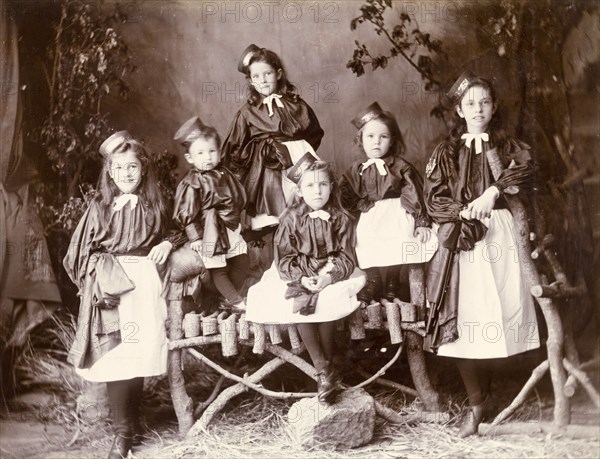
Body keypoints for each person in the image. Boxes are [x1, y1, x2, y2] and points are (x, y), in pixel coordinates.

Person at [423, 71, 540, 437]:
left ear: (494, 107)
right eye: (470, 103)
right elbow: (434, 198)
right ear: (459, 109)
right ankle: (476, 404)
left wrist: (493, 192)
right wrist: (462, 212)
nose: (478, 109)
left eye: (484, 102)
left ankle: (490, 395)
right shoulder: (446, 151)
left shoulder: (507, 146)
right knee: (466, 315)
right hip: (463, 240)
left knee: (499, 309)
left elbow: (528, 169)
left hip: (501, 235)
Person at [63, 131, 182, 458]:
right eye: (120, 168)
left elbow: (178, 229)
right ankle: (122, 433)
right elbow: (76, 253)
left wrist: (166, 243)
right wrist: (96, 280)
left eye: (133, 167)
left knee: (137, 355)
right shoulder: (99, 207)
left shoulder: (154, 204)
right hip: (110, 289)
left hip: (143, 283)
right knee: (115, 356)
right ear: (110, 172)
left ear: (143, 169)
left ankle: (131, 423)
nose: (127, 174)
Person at [245, 157, 366, 404]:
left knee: (330, 298)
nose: (318, 190)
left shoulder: (341, 218)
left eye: (323, 184)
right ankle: (324, 368)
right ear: (299, 190)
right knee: (297, 299)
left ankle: (324, 372)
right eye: (310, 186)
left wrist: (327, 278)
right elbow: (284, 258)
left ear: (331, 186)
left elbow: (346, 257)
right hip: (295, 270)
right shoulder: (290, 218)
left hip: (332, 270)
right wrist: (303, 278)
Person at [221, 44, 324, 242]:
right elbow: (234, 147)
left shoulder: (296, 104)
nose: (263, 80)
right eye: (256, 77)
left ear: (278, 74)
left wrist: (298, 151)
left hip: (299, 162)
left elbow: (314, 132)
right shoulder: (247, 112)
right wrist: (259, 153)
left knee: (303, 212)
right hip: (268, 171)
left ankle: (302, 260)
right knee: (276, 219)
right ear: (250, 80)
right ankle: (279, 266)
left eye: (267, 74)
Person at [340, 102, 436, 304]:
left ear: (392, 140)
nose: (377, 142)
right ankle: (373, 278)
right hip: (370, 215)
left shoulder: (400, 166)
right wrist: (356, 208)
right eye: (370, 137)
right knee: (362, 238)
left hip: (396, 212)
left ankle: (393, 281)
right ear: (361, 140)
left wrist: (420, 221)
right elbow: (345, 195)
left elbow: (414, 193)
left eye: (383, 137)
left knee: (402, 238)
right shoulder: (356, 169)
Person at [173, 116, 249, 311]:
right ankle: (235, 300)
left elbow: (236, 197)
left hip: (230, 227)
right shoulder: (192, 182)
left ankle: (225, 298)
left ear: (219, 152)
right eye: (200, 153)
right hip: (210, 231)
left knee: (242, 261)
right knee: (218, 268)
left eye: (212, 151)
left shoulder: (224, 173)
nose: (207, 157)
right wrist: (196, 237)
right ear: (190, 158)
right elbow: (186, 213)